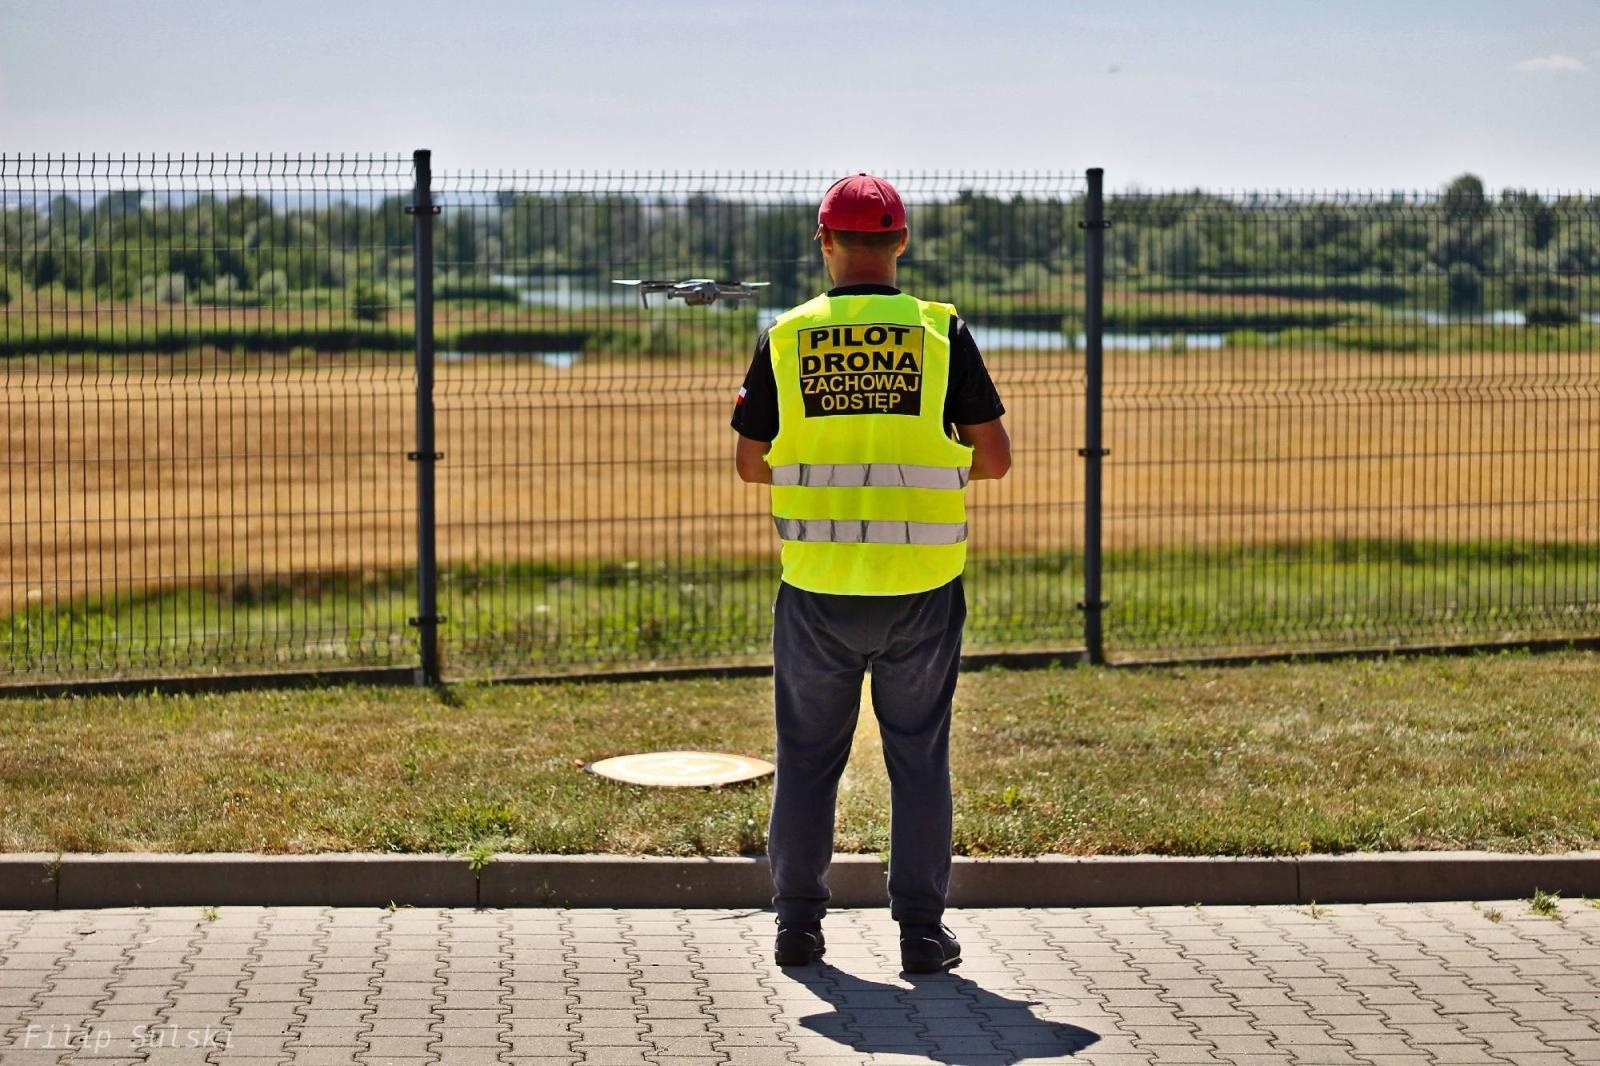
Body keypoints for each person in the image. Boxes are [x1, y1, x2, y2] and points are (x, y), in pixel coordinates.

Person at [730, 173, 1012, 974]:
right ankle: (922, 933)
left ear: (824, 242)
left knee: (808, 757)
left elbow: (751, 466)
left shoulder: (786, 336)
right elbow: (993, 459)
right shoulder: (938, 332)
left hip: (817, 585)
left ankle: (797, 927)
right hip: (921, 586)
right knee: (918, 757)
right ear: (902, 242)